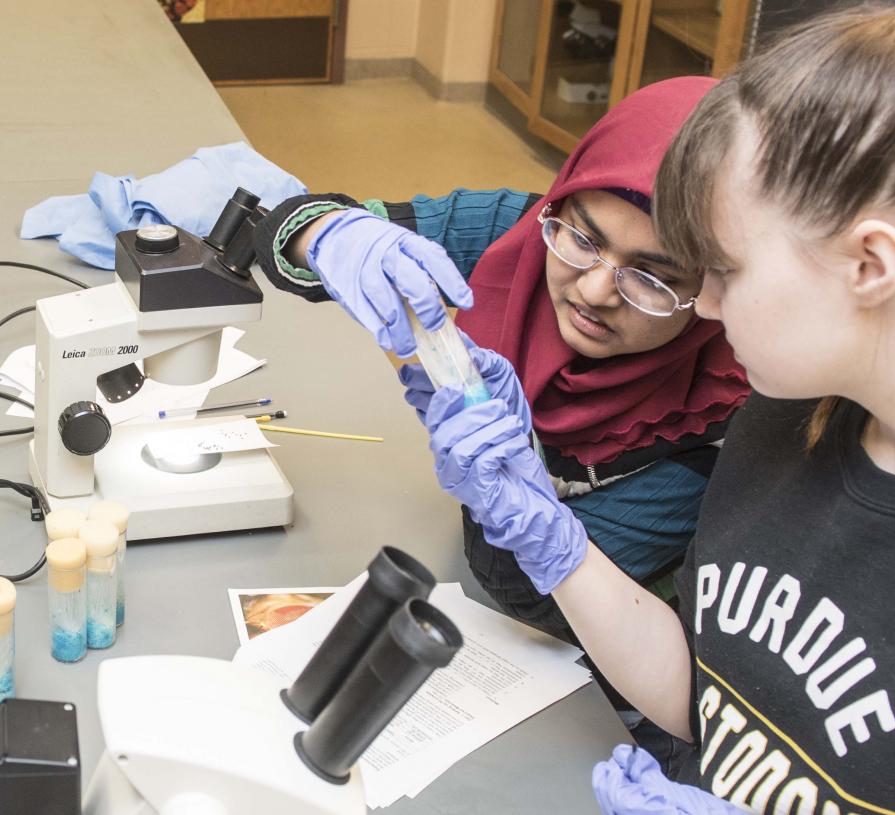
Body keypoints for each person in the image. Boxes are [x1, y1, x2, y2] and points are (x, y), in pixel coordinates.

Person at [411, 0, 895, 811]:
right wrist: (552, 540)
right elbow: (713, 690)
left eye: (723, 270)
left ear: (871, 263)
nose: (703, 310)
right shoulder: (791, 409)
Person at [253, 77, 749, 638]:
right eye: (585, 240)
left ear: (715, 289)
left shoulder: (719, 422)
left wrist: (506, 490)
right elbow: (289, 241)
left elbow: (535, 597)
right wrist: (329, 234)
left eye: (652, 278)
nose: (593, 292)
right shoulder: (525, 230)